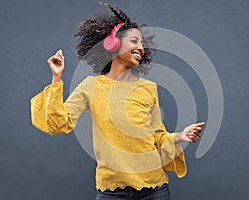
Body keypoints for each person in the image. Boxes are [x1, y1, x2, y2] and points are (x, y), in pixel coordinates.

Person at [30, 2, 205, 200]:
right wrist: (57, 78)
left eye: (141, 44)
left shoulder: (148, 89)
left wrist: (180, 136)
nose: (140, 47)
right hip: (112, 192)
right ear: (113, 44)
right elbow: (59, 123)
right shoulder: (90, 86)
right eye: (133, 41)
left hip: (154, 189)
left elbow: (157, 137)